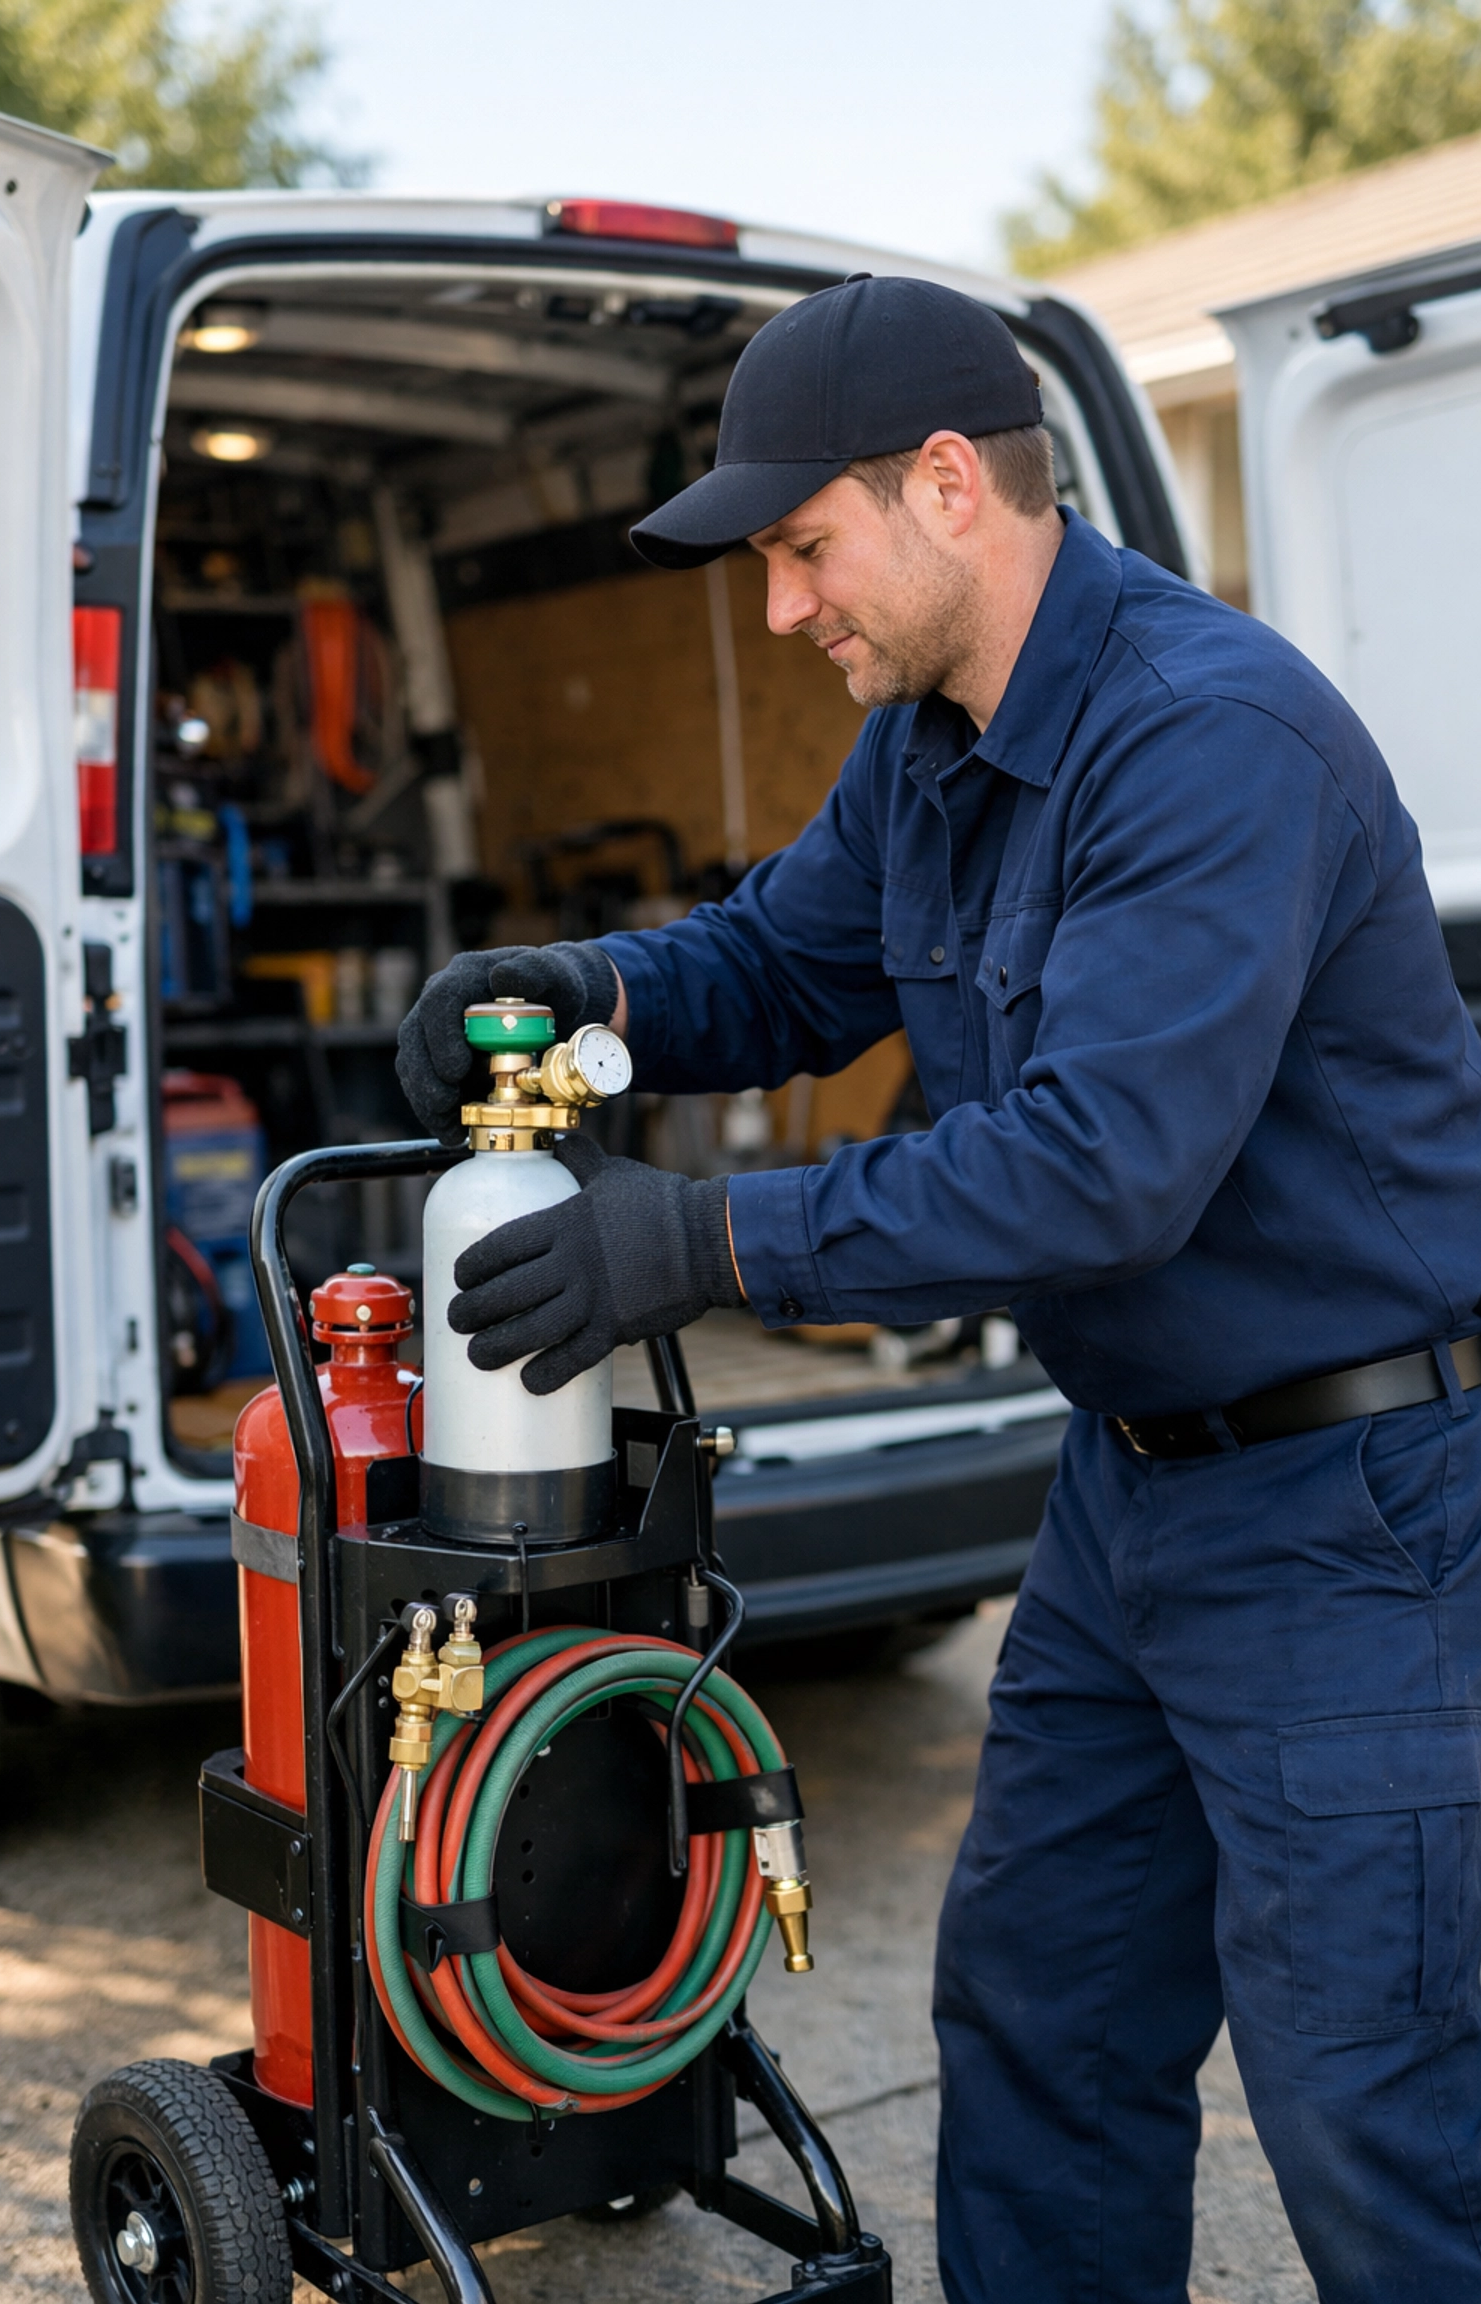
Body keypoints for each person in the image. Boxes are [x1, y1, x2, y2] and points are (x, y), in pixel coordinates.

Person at [396, 275, 1481, 2304]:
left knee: (1381, 2101)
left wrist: (703, 1240)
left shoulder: (1208, 736)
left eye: (805, 547)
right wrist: (586, 994)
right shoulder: (929, 749)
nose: (784, 606)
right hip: (1135, 1497)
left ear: (952, 487)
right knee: (1046, 2023)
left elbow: (1101, 1171)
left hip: (1365, 1516)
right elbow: (786, 963)